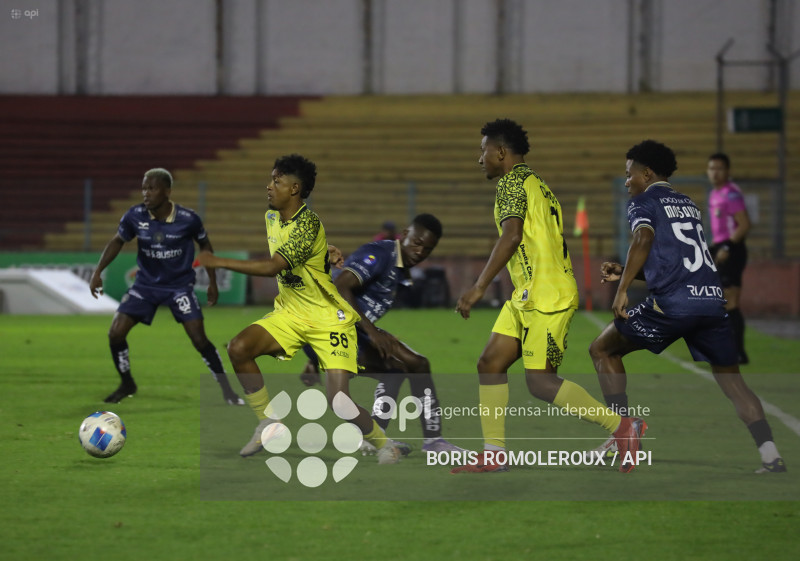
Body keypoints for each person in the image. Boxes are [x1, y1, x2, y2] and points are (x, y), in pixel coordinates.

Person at [453, 119, 641, 474]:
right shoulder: (536, 182)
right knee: (490, 363)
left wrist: (479, 286)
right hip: (527, 293)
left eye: (483, 151)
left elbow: (511, 236)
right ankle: (494, 453)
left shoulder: (511, 183)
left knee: (540, 382)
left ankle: (622, 426)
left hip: (547, 295)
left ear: (501, 152)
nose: (480, 159)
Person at [588, 139, 785, 474]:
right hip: (710, 302)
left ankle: (623, 432)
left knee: (602, 349)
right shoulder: (688, 204)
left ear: (647, 174)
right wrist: (626, 272)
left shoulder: (643, 201)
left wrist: (622, 290)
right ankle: (770, 455)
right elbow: (680, 264)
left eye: (629, 173)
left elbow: (643, 239)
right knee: (733, 382)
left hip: (674, 305)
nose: (627, 181)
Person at [197, 154, 402, 463]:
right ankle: (268, 423)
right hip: (291, 313)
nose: (269, 186)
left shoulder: (309, 223)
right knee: (239, 348)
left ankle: (385, 444)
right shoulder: (272, 217)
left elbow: (273, 266)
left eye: (276, 181)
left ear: (294, 188)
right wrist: (325, 251)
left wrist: (218, 260)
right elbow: (300, 250)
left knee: (339, 401)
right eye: (271, 180)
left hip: (328, 319)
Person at [300, 214, 463, 454]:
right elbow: (341, 286)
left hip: (346, 330)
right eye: (417, 243)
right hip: (332, 331)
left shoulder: (400, 269)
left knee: (411, 366)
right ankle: (394, 439)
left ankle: (400, 438)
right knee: (404, 366)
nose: (420, 251)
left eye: (427, 249)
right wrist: (373, 332)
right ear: (404, 235)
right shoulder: (380, 254)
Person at [89, 168, 243, 406]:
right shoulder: (134, 216)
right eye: (144, 188)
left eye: (152, 188)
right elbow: (117, 241)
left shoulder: (188, 219)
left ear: (167, 191)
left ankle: (227, 391)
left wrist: (212, 281)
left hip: (179, 287)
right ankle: (127, 383)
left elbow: (205, 246)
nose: (146, 193)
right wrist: (98, 271)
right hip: (145, 286)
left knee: (199, 339)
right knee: (116, 333)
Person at [707, 153, 751, 364]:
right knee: (721, 301)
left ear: (727, 171)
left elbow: (744, 225)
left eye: (719, 168)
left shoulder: (731, 194)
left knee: (729, 301)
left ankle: (737, 352)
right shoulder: (714, 194)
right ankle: (730, 350)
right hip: (720, 248)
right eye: (712, 168)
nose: (715, 173)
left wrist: (727, 247)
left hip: (732, 249)